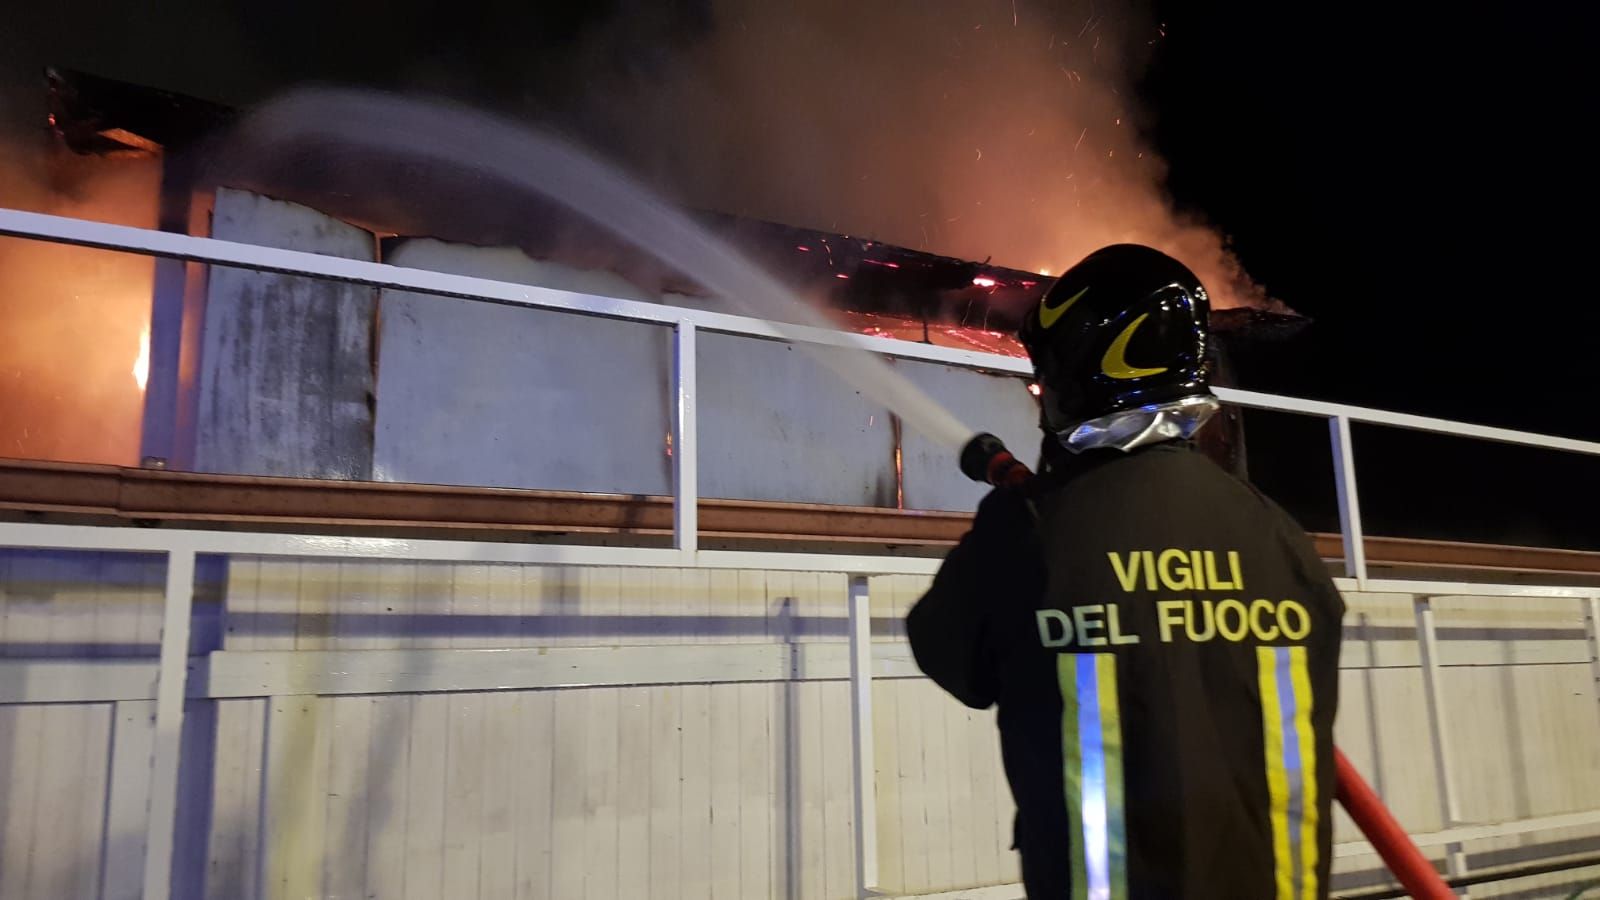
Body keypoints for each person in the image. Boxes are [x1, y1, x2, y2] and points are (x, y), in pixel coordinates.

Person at [907, 244, 1344, 899]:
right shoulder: (1283, 540)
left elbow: (948, 654)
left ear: (1083, 375)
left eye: (1043, 379)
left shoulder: (1028, 534)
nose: (1039, 397)